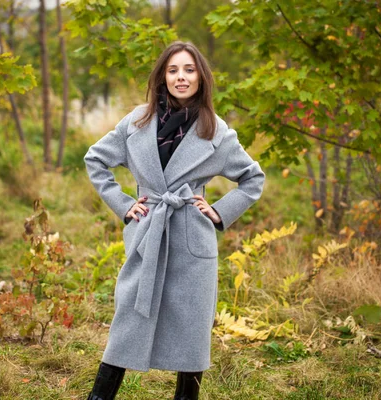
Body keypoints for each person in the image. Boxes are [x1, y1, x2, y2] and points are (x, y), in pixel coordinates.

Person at [83, 41, 265, 400]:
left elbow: (252, 178)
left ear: (201, 77)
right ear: (162, 78)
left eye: (189, 70)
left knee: (191, 337)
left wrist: (220, 210)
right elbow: (95, 160)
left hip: (191, 241)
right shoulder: (136, 121)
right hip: (147, 236)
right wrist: (123, 204)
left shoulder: (217, 131)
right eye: (173, 70)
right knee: (126, 326)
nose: (181, 77)